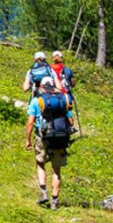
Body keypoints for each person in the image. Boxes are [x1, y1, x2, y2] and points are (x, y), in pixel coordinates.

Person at [23, 75, 78, 208]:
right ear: (53, 85)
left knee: (40, 163)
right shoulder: (62, 99)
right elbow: (71, 121)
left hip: (42, 136)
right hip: (60, 137)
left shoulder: (37, 101)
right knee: (56, 170)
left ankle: (43, 193)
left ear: (41, 86)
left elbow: (30, 122)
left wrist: (27, 140)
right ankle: (54, 201)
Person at [49, 53, 81, 136]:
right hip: (66, 95)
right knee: (67, 112)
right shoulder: (67, 70)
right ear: (62, 58)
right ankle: (71, 127)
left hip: (53, 94)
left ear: (52, 58)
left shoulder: (49, 68)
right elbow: (73, 83)